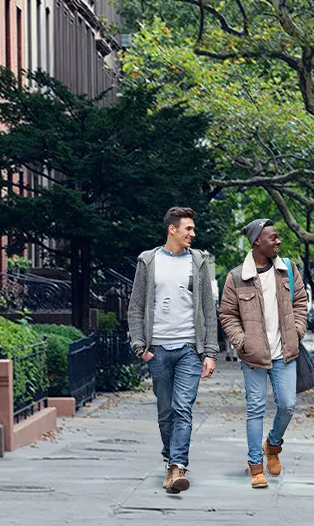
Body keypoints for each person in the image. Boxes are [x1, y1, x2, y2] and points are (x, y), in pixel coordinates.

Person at [126, 206, 219, 494]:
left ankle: (177, 466)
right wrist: (140, 346)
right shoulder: (149, 260)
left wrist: (210, 352)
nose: (193, 233)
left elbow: (207, 309)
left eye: (193, 228)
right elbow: (136, 306)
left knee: (182, 408)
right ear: (172, 229)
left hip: (190, 348)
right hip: (158, 349)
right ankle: (171, 457)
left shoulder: (199, 261)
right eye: (188, 228)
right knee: (166, 411)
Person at [219, 219, 308, 489]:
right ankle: (256, 465)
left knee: (287, 405)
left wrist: (298, 330)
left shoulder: (288, 270)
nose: (278, 241)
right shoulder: (236, 277)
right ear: (258, 240)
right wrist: (241, 342)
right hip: (253, 356)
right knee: (255, 409)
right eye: (274, 237)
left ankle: (273, 444)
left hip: (285, 354)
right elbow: (227, 314)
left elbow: (300, 302)